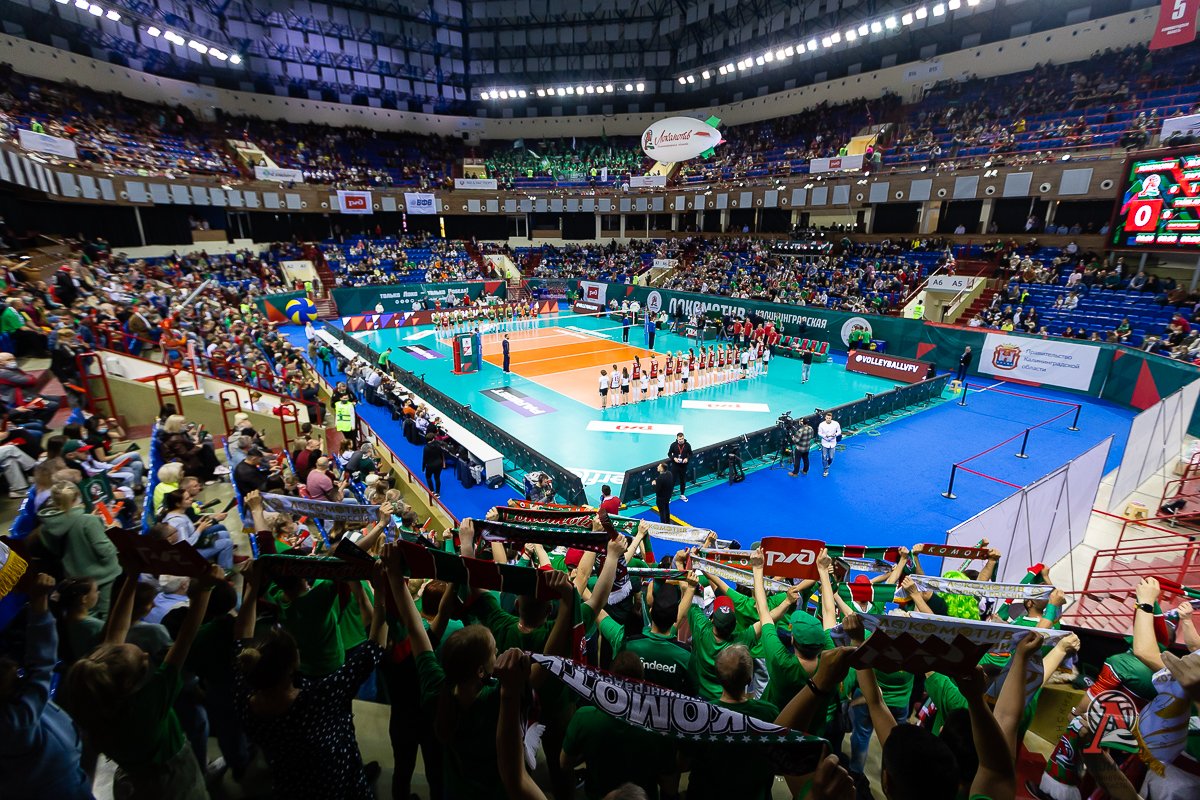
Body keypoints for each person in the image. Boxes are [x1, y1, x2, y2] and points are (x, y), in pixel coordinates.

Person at [61, 564, 225, 800]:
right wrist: (205, 590)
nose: (146, 654)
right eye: (142, 660)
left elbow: (116, 630)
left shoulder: (97, 701)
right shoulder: (150, 703)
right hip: (173, 781)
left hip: (134, 780)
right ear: (130, 684)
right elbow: (185, 639)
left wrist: (132, 575)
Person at [232, 562, 388, 799]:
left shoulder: (244, 695)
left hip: (289, 784)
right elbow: (375, 646)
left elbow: (241, 637)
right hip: (339, 781)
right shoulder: (320, 697)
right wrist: (381, 590)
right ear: (293, 665)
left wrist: (252, 587)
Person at [0, 573, 94, 800]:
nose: (13, 665)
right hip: (59, 786)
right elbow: (42, 663)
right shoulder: (17, 719)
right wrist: (39, 603)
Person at [36, 481, 121, 618]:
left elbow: (57, 549)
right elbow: (107, 552)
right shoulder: (88, 521)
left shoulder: (47, 526)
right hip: (102, 579)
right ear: (78, 496)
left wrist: (91, 520)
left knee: (84, 615)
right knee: (105, 618)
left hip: (74, 580)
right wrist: (114, 532)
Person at [667, 431, 692, 502]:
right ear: (677, 439)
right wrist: (673, 458)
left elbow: (691, 453)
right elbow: (669, 454)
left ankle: (682, 495)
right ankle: (669, 497)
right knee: (672, 481)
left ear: (684, 438)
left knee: (683, 481)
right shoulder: (673, 445)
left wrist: (687, 458)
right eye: (680, 439)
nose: (681, 440)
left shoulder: (687, 445)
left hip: (683, 466)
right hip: (675, 465)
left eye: (682, 439)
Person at [818, 411, 842, 478]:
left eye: (829, 418)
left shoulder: (836, 424)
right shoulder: (821, 424)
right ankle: (825, 470)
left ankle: (828, 463)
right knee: (824, 457)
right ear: (825, 418)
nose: (828, 419)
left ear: (831, 418)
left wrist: (835, 434)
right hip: (824, 443)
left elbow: (839, 431)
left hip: (833, 443)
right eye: (827, 418)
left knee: (831, 457)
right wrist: (825, 436)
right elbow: (819, 433)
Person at [423, 431, 445, 497]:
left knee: (428, 477)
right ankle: (437, 493)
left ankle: (432, 491)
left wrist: (423, 467)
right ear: (433, 439)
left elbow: (424, 458)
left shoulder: (426, 448)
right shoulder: (438, 445)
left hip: (430, 465)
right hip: (439, 464)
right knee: (437, 478)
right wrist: (442, 463)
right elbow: (441, 455)